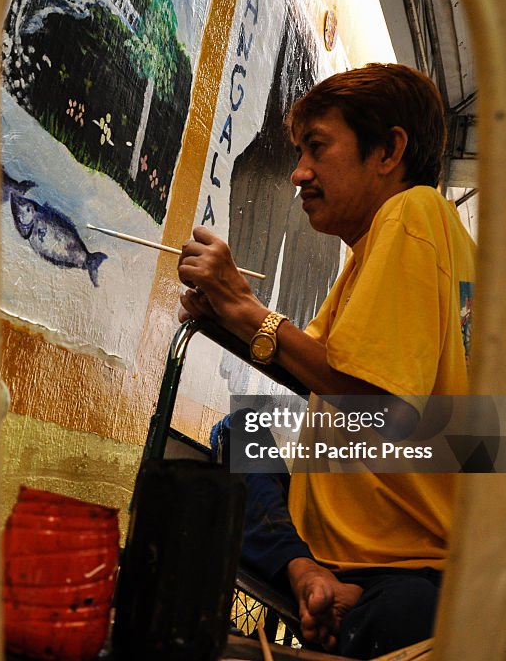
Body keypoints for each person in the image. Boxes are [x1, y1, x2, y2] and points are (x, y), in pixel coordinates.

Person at [177, 63, 476, 658]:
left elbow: (380, 408)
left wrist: (241, 305)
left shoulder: (412, 215)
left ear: (389, 149)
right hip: (352, 552)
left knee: (398, 620)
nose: (299, 173)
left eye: (317, 148)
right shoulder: (376, 251)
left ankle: (325, 589)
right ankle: (310, 576)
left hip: (408, 567)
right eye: (298, 151)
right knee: (243, 432)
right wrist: (225, 314)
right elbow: (305, 365)